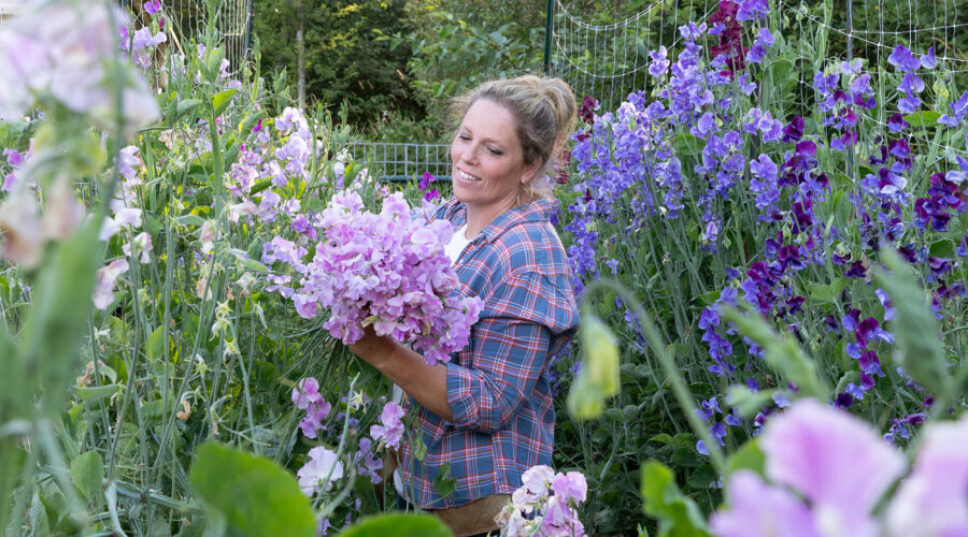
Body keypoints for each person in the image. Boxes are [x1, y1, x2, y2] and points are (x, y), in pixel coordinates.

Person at [348, 75, 579, 537]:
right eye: (465, 137)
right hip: (420, 482)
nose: (468, 157)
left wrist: (381, 352)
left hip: (480, 507)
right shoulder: (448, 219)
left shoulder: (528, 255)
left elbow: (491, 400)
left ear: (528, 166)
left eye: (493, 150)